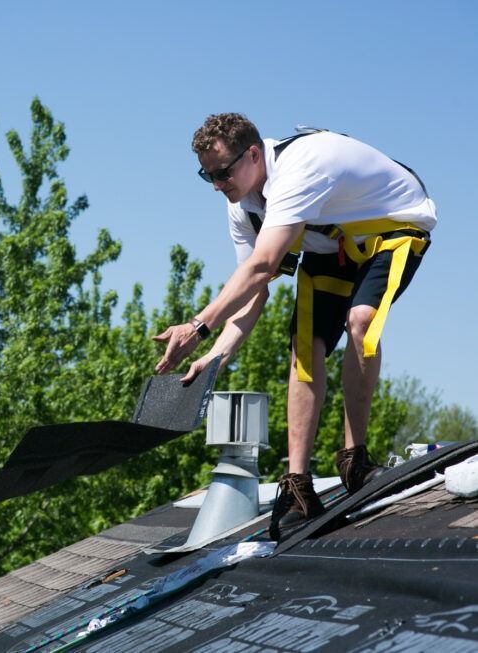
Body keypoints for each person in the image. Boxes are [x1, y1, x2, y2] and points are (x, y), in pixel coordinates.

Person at [154, 113, 436, 539]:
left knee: (360, 321)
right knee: (305, 345)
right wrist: (214, 357)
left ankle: (355, 460)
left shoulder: (302, 164)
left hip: (391, 226)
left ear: (253, 154)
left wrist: (197, 327)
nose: (216, 185)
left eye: (222, 172)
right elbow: (254, 290)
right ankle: (298, 485)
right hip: (331, 242)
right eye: (206, 175)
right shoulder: (242, 208)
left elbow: (263, 264)